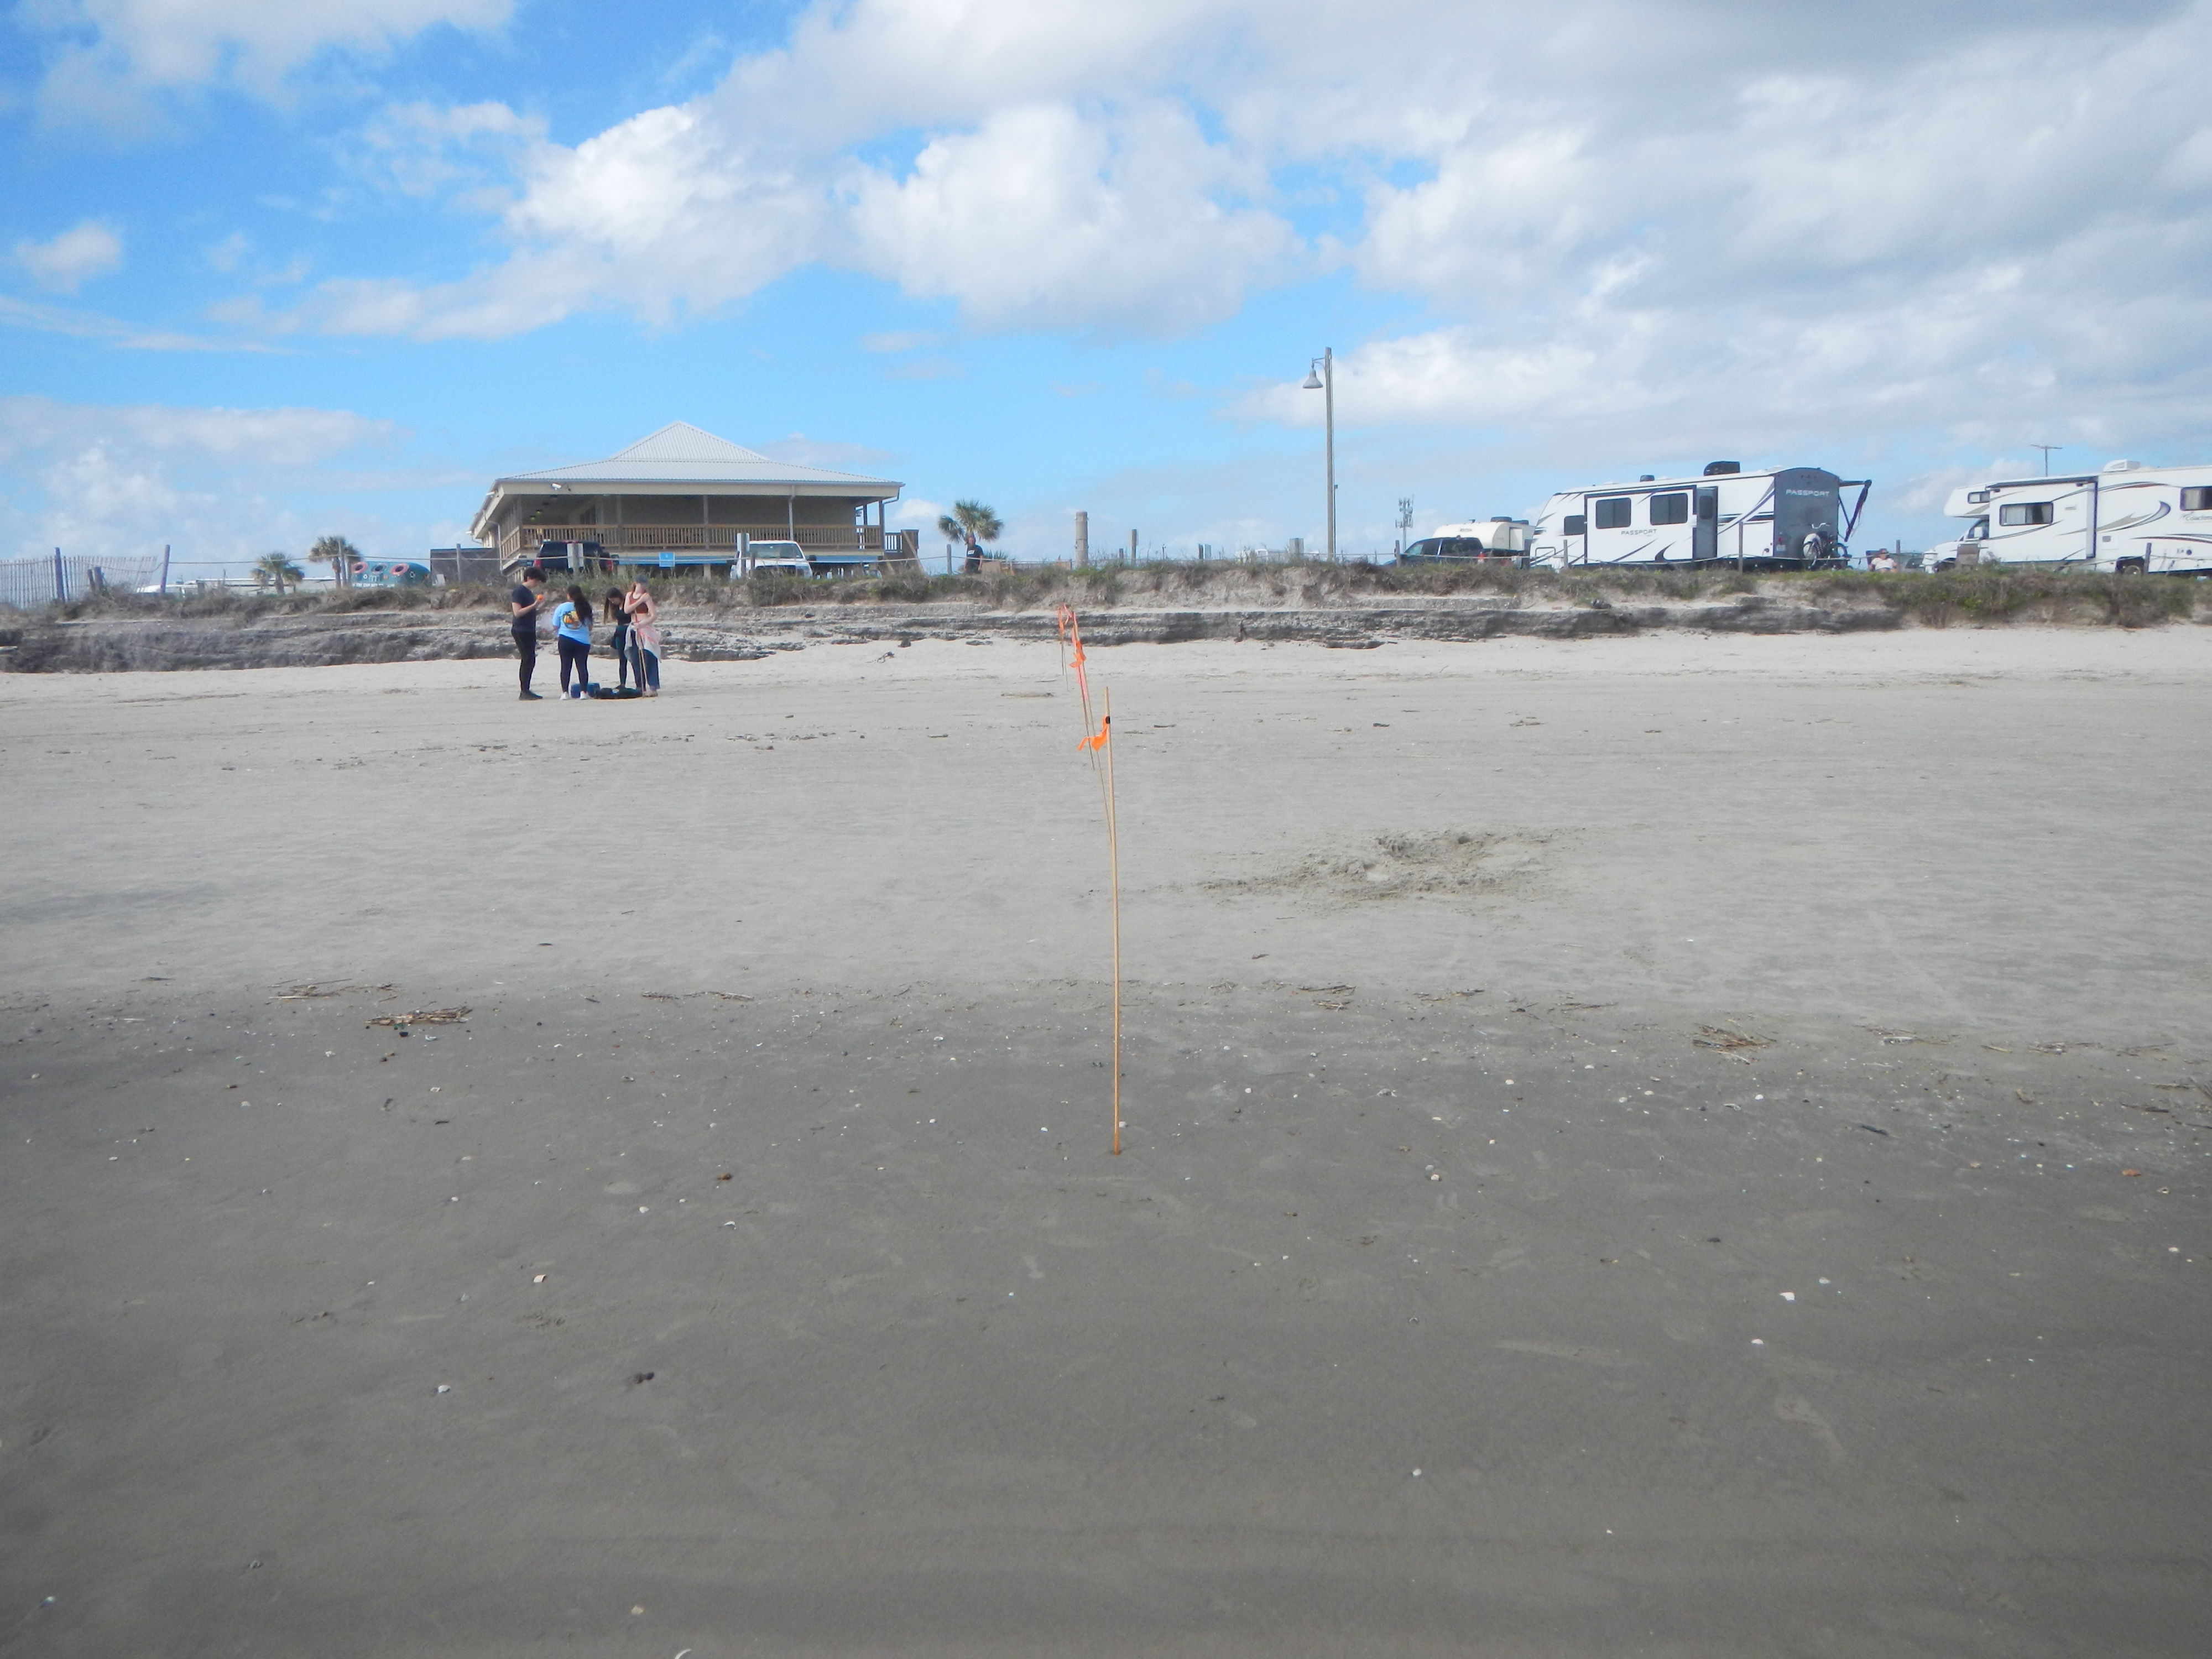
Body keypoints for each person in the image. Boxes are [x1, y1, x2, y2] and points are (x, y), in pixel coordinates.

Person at [551, 585, 593, 698]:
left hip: (565, 639)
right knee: (582, 667)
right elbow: (590, 627)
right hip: (583, 641)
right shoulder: (586, 607)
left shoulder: (562, 607)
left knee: (565, 666)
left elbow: (555, 626)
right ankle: (584, 692)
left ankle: (565, 693)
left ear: (569, 595)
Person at [510, 567, 545, 700]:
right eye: (536, 580)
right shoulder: (519, 591)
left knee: (531, 659)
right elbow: (517, 613)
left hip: (529, 629)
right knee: (527, 659)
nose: (537, 583)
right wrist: (534, 605)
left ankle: (527, 689)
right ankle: (524, 691)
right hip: (521, 629)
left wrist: (541, 610)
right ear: (529, 578)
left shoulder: (528, 592)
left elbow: (529, 612)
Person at [624, 575, 661, 697]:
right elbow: (626, 610)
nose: (643, 586)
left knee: (649, 656)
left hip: (645, 627)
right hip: (634, 627)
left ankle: (653, 686)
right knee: (636, 658)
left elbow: (653, 615)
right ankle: (640, 686)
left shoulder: (647, 597)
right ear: (636, 583)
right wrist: (640, 601)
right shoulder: (629, 595)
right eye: (641, 584)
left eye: (645, 584)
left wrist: (642, 624)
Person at [603, 586, 631, 691]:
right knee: (622, 659)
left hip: (629, 631)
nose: (613, 602)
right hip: (620, 633)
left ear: (618, 596)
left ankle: (640, 683)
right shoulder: (615, 607)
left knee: (634, 658)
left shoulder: (627, 603)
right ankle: (622, 683)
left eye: (614, 600)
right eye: (611, 601)